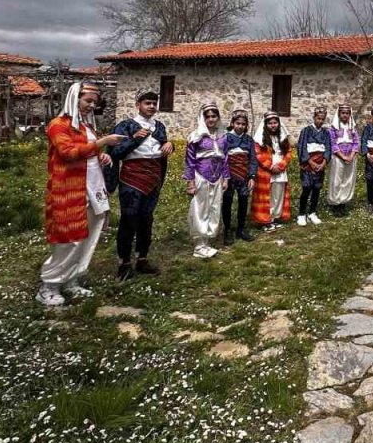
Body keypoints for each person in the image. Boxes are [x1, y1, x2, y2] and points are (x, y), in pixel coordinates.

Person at [37, 82, 125, 306]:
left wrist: (101, 156)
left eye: (94, 102)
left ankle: (72, 279)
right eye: (88, 101)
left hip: (91, 189)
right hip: (69, 191)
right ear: (74, 99)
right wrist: (102, 143)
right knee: (68, 239)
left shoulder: (86, 128)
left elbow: (88, 153)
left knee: (87, 236)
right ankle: (49, 285)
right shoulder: (58, 125)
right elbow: (67, 153)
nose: (91, 106)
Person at [106, 89, 172, 280]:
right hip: (132, 176)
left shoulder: (159, 126)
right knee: (129, 218)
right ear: (138, 105)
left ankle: (142, 258)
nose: (151, 106)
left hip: (153, 176)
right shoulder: (126, 126)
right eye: (147, 103)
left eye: (154, 103)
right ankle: (124, 263)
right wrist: (135, 140)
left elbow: (163, 145)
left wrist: (170, 146)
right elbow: (115, 152)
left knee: (146, 219)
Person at [184, 101, 229, 258]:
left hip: (217, 178)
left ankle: (207, 242)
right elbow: (189, 161)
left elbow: (225, 159)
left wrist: (226, 178)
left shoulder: (223, 137)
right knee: (200, 209)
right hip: (201, 176)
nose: (211, 119)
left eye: (214, 116)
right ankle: (199, 245)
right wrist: (190, 182)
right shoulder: (196, 137)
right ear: (203, 118)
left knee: (214, 209)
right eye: (208, 116)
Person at [252, 111, 293, 230]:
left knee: (278, 194)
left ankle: (275, 217)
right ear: (265, 124)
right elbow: (258, 154)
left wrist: (281, 166)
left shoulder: (283, 138)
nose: (273, 125)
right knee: (267, 196)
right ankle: (265, 220)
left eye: (275, 123)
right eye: (270, 123)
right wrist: (270, 166)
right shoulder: (260, 139)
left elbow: (289, 152)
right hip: (266, 172)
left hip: (280, 170)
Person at [221, 109, 255, 244]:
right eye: (238, 123)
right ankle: (227, 229)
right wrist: (224, 176)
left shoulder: (248, 140)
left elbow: (253, 158)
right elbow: (222, 157)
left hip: (244, 175)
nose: (240, 126)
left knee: (243, 201)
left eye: (243, 124)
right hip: (229, 175)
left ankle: (240, 229)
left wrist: (252, 176)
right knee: (227, 202)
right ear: (232, 123)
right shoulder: (226, 138)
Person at [297, 106, 333, 227]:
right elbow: (301, 147)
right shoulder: (306, 131)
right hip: (308, 165)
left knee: (316, 189)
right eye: (318, 118)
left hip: (320, 165)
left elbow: (328, 148)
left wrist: (324, 162)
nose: (320, 121)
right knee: (306, 189)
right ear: (314, 118)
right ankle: (302, 214)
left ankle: (312, 212)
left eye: (323, 119)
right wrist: (310, 162)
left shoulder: (326, 133)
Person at [327, 103, 360, 217]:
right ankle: (335, 203)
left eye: (347, 113)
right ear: (339, 114)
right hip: (338, 157)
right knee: (336, 180)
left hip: (350, 157)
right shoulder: (334, 128)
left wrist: (351, 155)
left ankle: (343, 202)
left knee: (347, 180)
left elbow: (356, 142)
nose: (345, 115)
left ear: (350, 114)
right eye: (343, 113)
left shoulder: (353, 128)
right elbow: (333, 143)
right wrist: (343, 156)